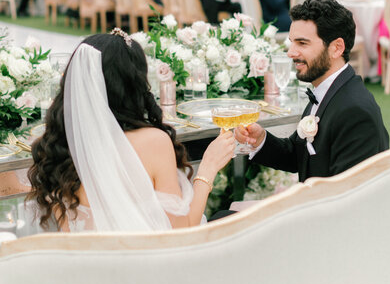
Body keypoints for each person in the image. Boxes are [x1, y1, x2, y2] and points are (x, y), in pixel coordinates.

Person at [27, 30, 235, 232]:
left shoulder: (58, 149)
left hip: (91, 265)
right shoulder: (153, 142)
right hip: (151, 264)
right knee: (233, 216)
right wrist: (208, 167)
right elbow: (180, 234)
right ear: (133, 85)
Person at [236, 0, 389, 182]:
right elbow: (298, 155)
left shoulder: (354, 112)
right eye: (292, 42)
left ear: (336, 48)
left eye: (302, 43)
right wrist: (261, 140)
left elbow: (348, 199)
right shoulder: (327, 89)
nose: (291, 52)